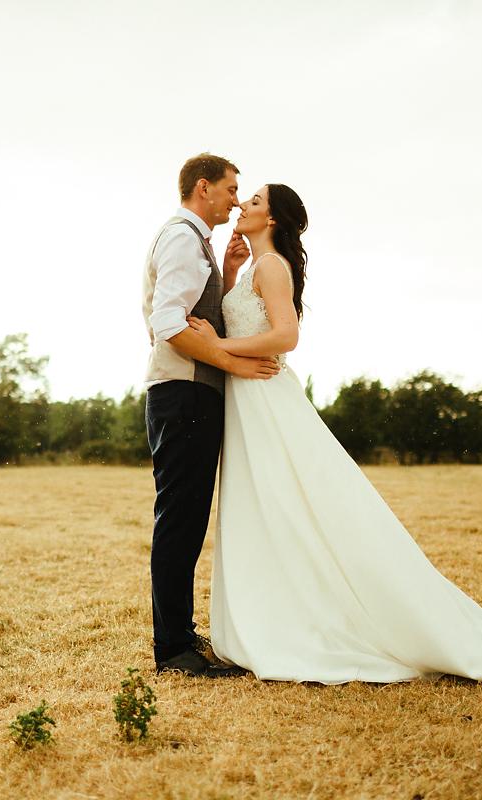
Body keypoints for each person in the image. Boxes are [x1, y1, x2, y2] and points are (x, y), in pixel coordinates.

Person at [185, 184, 482, 694]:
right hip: (249, 401)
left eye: (256, 201)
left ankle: (305, 619)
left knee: (288, 505)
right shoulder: (251, 267)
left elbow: (286, 337)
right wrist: (227, 271)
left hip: (267, 401)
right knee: (269, 509)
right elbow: (243, 319)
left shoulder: (271, 268)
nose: (243, 204)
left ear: (274, 220)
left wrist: (217, 345)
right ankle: (280, 610)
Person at [141, 153, 280, 678]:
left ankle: (178, 630)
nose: (236, 198)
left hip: (193, 393)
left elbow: (197, 313)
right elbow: (168, 321)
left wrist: (226, 273)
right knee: (179, 519)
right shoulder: (181, 235)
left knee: (189, 517)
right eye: (230, 188)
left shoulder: (197, 242)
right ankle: (172, 649)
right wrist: (230, 363)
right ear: (204, 187)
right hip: (183, 394)